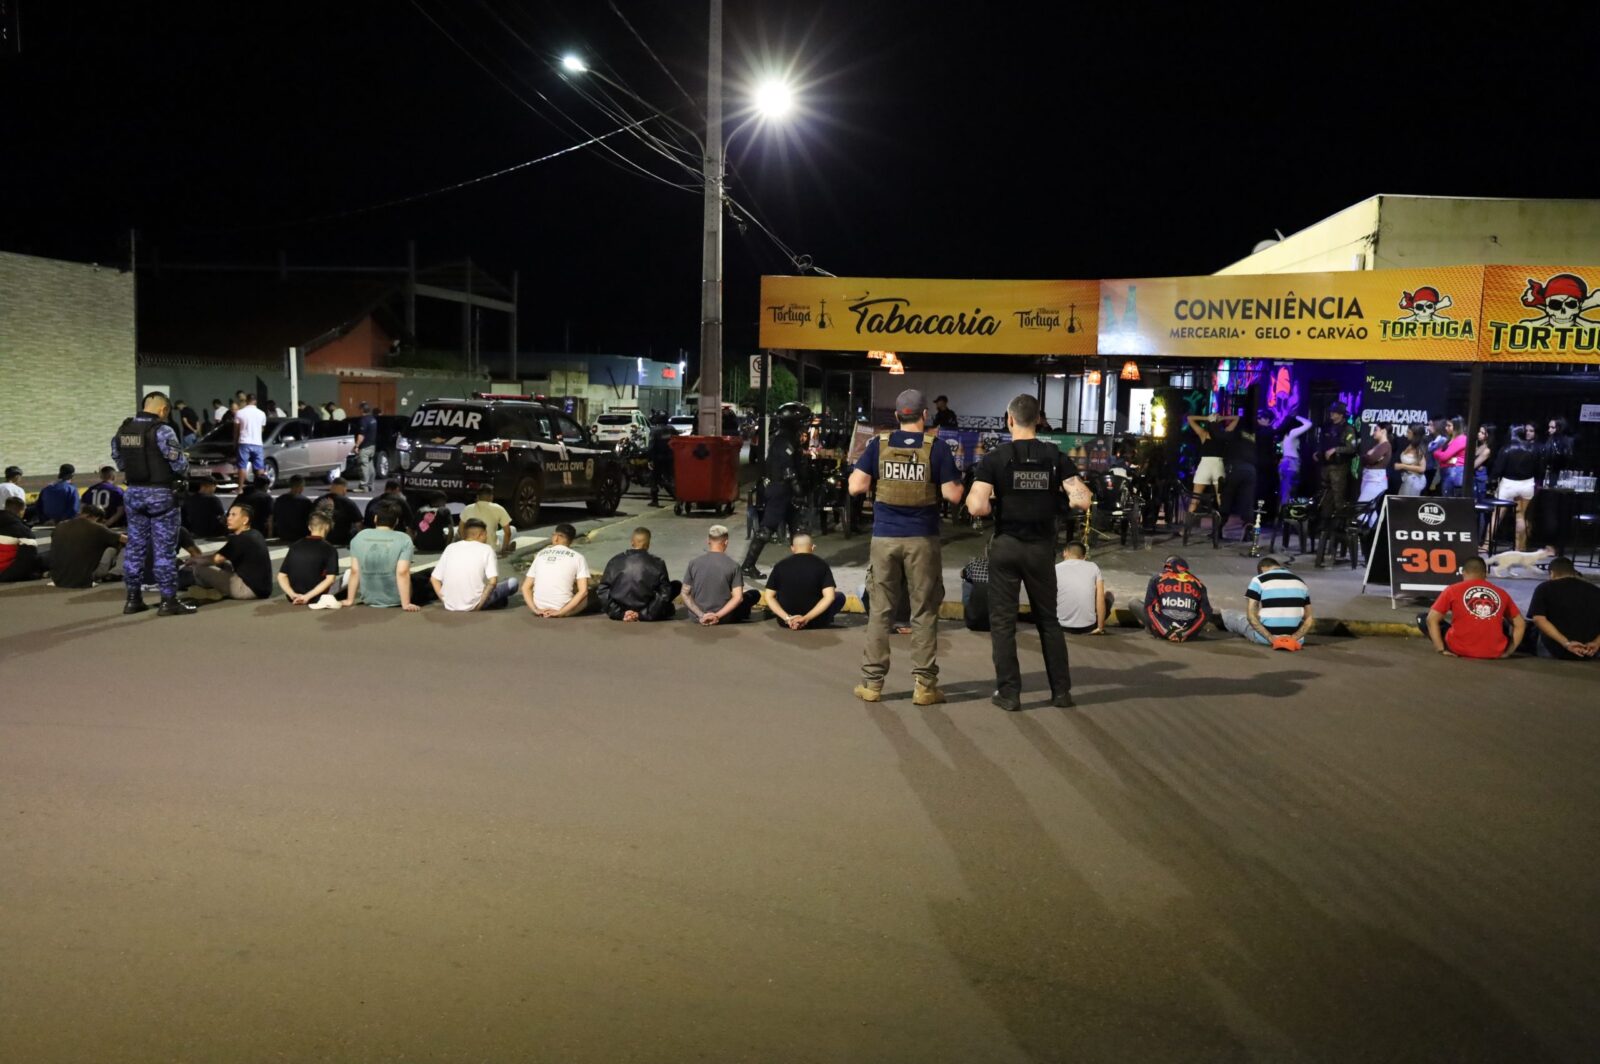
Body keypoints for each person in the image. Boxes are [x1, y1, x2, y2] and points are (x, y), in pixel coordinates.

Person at [965, 393, 1091, 711]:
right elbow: (1083, 500)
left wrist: (990, 502)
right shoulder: (1054, 456)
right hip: (1040, 549)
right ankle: (1061, 693)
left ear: (1010, 420)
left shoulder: (996, 458)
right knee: (1048, 621)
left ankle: (1009, 694)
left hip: (1006, 546)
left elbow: (977, 506)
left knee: (1003, 622)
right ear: (1038, 420)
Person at [847, 388, 964, 705]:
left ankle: (872, 684)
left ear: (898, 416)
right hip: (922, 539)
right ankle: (924, 687)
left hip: (884, 538)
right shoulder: (936, 448)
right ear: (925, 415)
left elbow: (856, 486)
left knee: (880, 611)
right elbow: (953, 495)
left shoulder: (879, 444)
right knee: (923, 611)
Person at [111, 391, 194, 615]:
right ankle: (168, 601)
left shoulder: (123, 429)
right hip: (161, 495)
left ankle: (133, 599)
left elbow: (119, 460)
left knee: (135, 548)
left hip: (133, 493)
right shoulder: (162, 430)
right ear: (163, 409)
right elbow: (179, 464)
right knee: (164, 550)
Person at [740, 401, 811, 578]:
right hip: (780, 490)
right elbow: (788, 470)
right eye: (801, 421)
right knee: (767, 529)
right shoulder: (783, 441)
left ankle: (802, 566)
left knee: (798, 529)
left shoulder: (790, 439)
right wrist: (797, 490)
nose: (804, 425)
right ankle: (748, 565)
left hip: (785, 490)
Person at [1422, 557, 1525, 659]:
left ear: (1463, 573)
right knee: (1504, 625)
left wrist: (1440, 649)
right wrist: (1509, 651)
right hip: (1494, 652)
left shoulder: (1452, 589)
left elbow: (1431, 619)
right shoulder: (1502, 593)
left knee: (1422, 618)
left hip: (1458, 648)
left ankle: (1444, 647)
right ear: (1486, 574)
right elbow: (1520, 624)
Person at [343, 499, 422, 610]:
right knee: (424, 578)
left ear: (375, 518)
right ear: (396, 521)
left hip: (368, 598)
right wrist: (406, 604)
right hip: (396, 598)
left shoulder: (360, 536)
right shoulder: (404, 539)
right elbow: (402, 572)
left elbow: (355, 571)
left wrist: (349, 600)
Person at [1222, 557, 1313, 650]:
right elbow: (1309, 618)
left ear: (1262, 569)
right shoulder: (1301, 582)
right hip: (1295, 640)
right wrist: (1293, 638)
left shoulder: (1258, 580)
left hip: (1265, 639)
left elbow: (1251, 617)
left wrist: (1272, 639)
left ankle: (1224, 616)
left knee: (1234, 616)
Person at [188, 502, 273, 602]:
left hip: (247, 589)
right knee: (224, 565)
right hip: (263, 589)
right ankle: (213, 589)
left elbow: (216, 559)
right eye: (228, 514)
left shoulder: (240, 539)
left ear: (245, 520)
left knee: (199, 568)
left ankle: (208, 591)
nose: (229, 518)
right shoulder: (255, 533)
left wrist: (194, 560)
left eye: (233, 515)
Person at [430, 518, 519, 611]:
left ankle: (498, 601)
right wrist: (478, 605)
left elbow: (434, 579)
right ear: (480, 535)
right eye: (486, 534)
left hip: (450, 604)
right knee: (512, 582)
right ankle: (497, 601)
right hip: (475, 603)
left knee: (497, 593)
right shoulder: (487, 549)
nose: (487, 538)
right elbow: (492, 582)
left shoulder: (450, 547)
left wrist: (445, 601)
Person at [682, 524, 760, 625]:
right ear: (726, 542)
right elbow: (738, 598)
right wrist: (717, 616)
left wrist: (702, 615)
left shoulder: (693, 563)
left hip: (697, 617)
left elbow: (685, 593)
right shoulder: (733, 566)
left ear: (708, 541)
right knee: (754, 594)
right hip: (724, 618)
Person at [596, 527, 679, 622]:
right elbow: (664, 593)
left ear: (632, 542)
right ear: (648, 544)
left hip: (621, 609)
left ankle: (628, 613)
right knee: (676, 585)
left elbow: (602, 590)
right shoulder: (658, 563)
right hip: (645, 609)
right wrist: (642, 615)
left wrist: (619, 613)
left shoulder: (614, 561)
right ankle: (649, 613)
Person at [763, 533, 843, 630]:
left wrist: (787, 618)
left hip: (786, 622)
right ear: (812, 547)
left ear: (792, 548)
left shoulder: (780, 566)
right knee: (840, 596)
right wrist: (805, 619)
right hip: (814, 622)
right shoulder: (822, 565)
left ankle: (791, 620)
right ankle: (823, 619)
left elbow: (769, 596)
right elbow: (829, 597)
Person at [1527, 556, 1600, 660]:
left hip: (1554, 649)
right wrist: (1596, 643)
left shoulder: (1544, 588)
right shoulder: (1596, 591)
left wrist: (1567, 643)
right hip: (1589, 651)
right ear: (1573, 572)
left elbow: (1539, 619)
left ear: (1552, 573)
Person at [1312, 402, 1358, 568]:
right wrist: (1318, 453)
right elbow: (1324, 443)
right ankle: (1324, 529)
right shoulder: (1328, 426)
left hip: (1339, 468)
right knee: (1326, 499)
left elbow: (1351, 448)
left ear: (1341, 414)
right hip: (1326, 467)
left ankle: (1337, 534)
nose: (1331, 415)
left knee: (1338, 500)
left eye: (1334, 413)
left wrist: (1336, 450)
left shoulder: (1348, 429)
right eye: (1331, 412)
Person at [1131, 555, 1215, 642]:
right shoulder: (1199, 584)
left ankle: (1151, 628)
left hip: (1163, 632)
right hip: (1186, 635)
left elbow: (1149, 609)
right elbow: (1205, 614)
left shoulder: (1156, 579)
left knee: (1134, 603)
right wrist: (1184, 634)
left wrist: (1167, 633)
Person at [45, 503, 126, 588]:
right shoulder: (96, 527)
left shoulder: (60, 525)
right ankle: (116, 573)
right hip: (83, 579)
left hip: (58, 578)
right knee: (112, 549)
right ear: (96, 518)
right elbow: (127, 540)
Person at [521, 523, 593, 617]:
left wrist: (535, 610)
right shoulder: (578, 557)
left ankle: (542, 609)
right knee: (591, 595)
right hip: (561, 607)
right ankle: (566, 612)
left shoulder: (540, 554)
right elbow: (583, 591)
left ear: (556, 537)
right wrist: (560, 612)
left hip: (539, 607)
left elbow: (525, 588)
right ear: (571, 541)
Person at [276, 511, 342, 607]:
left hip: (294, 595)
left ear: (309, 527)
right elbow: (330, 579)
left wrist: (292, 594)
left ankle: (295, 595)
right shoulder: (329, 549)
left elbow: (281, 576)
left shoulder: (295, 546)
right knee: (348, 575)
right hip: (317, 597)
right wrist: (307, 597)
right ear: (327, 527)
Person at [1490, 424, 1540, 551]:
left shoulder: (1506, 448)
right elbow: (1539, 469)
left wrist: (1492, 480)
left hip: (1508, 484)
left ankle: (1486, 544)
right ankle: (1519, 548)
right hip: (1527, 484)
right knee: (1521, 516)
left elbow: (1498, 469)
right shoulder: (1533, 449)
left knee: (1496, 515)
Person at [1185, 412, 1236, 531]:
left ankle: (1185, 530)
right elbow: (1237, 418)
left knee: (1195, 499)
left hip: (1205, 465)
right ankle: (1218, 531)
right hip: (1218, 465)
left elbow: (1189, 418)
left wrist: (1207, 418)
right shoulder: (1224, 433)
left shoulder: (1204, 434)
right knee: (1220, 500)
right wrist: (1222, 418)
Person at [1218, 410, 1264, 537]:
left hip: (1235, 467)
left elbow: (1220, 436)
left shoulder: (1235, 433)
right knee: (1247, 502)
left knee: (1227, 497)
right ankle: (1248, 532)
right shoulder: (1252, 436)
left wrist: (1217, 421)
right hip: (1251, 470)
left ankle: (1218, 530)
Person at [1055, 542, 1112, 636]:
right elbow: (1100, 598)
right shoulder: (1093, 567)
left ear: (1065, 552)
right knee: (1109, 595)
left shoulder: (1055, 568)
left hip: (1061, 626)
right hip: (1088, 627)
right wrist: (1100, 628)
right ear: (1084, 557)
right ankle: (1098, 625)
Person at [0, 497, 47, 582]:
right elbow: (28, 561)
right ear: (22, 511)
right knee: (46, 558)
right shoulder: (24, 531)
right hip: (5, 571)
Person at [461, 486, 514, 556]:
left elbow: (460, 530)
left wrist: (466, 544)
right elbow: (508, 533)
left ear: (477, 497)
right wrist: (503, 550)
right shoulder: (498, 508)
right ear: (491, 497)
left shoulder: (467, 508)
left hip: (471, 548)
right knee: (512, 529)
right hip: (492, 549)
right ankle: (507, 547)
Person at [315, 479, 363, 547]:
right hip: (341, 541)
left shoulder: (318, 501)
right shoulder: (348, 503)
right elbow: (359, 525)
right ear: (344, 489)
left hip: (321, 539)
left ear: (331, 488)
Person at [234, 393, 267, 488]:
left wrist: (235, 443)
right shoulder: (262, 413)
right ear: (255, 401)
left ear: (246, 400)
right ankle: (262, 487)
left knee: (242, 466)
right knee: (259, 466)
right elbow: (262, 429)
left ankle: (240, 488)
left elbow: (236, 430)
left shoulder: (240, 413)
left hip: (244, 442)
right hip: (257, 443)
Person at [272, 475, 316, 543]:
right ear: (301, 486)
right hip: (300, 535)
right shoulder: (305, 501)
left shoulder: (279, 500)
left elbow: (275, 517)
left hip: (283, 534)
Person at [1357, 422, 1392, 506]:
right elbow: (1365, 459)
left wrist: (1368, 456)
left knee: (1362, 506)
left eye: (1376, 430)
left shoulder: (1385, 445)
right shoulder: (1378, 445)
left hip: (1375, 481)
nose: (1374, 432)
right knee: (1369, 508)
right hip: (1368, 478)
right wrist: (1367, 456)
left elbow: (1371, 459)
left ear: (1383, 431)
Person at [646, 415, 675, 508]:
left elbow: (651, 446)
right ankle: (677, 496)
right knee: (670, 477)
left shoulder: (654, 431)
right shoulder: (672, 429)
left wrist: (649, 459)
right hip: (670, 457)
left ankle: (655, 500)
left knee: (654, 479)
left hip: (658, 458)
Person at [1433, 416, 1467, 495]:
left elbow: (1444, 456)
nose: (1446, 428)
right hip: (1447, 472)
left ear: (1457, 426)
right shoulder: (1450, 439)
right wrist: (1444, 457)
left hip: (1455, 473)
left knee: (1450, 500)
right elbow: (1436, 453)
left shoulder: (1462, 439)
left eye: (1449, 426)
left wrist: (1442, 456)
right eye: (1446, 425)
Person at [351, 402, 378, 491]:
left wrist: (356, 446)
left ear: (362, 410)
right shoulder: (373, 419)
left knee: (363, 466)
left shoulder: (363, 420)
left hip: (365, 447)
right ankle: (371, 485)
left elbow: (361, 435)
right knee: (370, 466)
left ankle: (363, 486)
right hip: (372, 446)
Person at [1394, 426, 1428, 497]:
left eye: (1409, 432)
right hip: (1407, 478)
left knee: (1408, 502)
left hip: (1415, 480)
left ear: (1415, 435)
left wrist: (1402, 466)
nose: (1407, 434)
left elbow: (1422, 468)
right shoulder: (1410, 445)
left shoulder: (1419, 449)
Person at [960, 554, 990, 632]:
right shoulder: (1003, 567)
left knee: (967, 581)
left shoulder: (973, 563)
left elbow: (962, 574)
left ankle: (971, 613)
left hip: (973, 624)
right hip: (998, 624)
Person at [1473, 423, 1495, 503]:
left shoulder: (1487, 450)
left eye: (1482, 433)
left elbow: (1473, 465)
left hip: (1480, 479)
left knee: (1479, 503)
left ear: (1488, 435)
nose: (1479, 434)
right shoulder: (1478, 446)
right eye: (1479, 431)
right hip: (1474, 478)